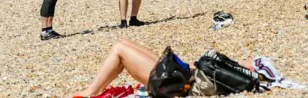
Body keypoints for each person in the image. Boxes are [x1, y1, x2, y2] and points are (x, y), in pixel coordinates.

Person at [71, 38, 256, 98]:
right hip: (184, 76)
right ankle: (94, 89)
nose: (250, 61)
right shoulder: (233, 72)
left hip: (178, 84)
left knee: (120, 49)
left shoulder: (237, 75)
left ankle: (90, 92)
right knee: (123, 43)